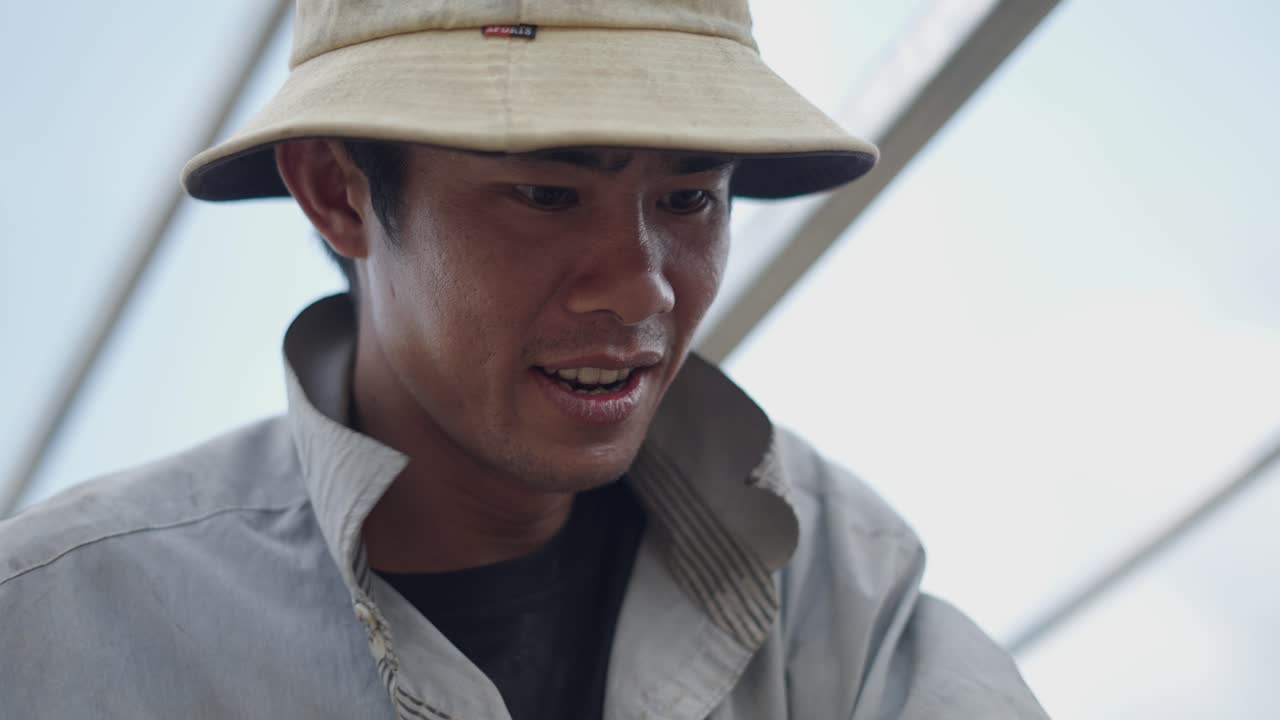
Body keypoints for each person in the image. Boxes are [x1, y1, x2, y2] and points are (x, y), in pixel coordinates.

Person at [0, 1, 1048, 718]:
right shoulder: (59, 630)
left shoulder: (832, 579)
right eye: (548, 195)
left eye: (689, 197)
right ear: (336, 190)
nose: (639, 288)